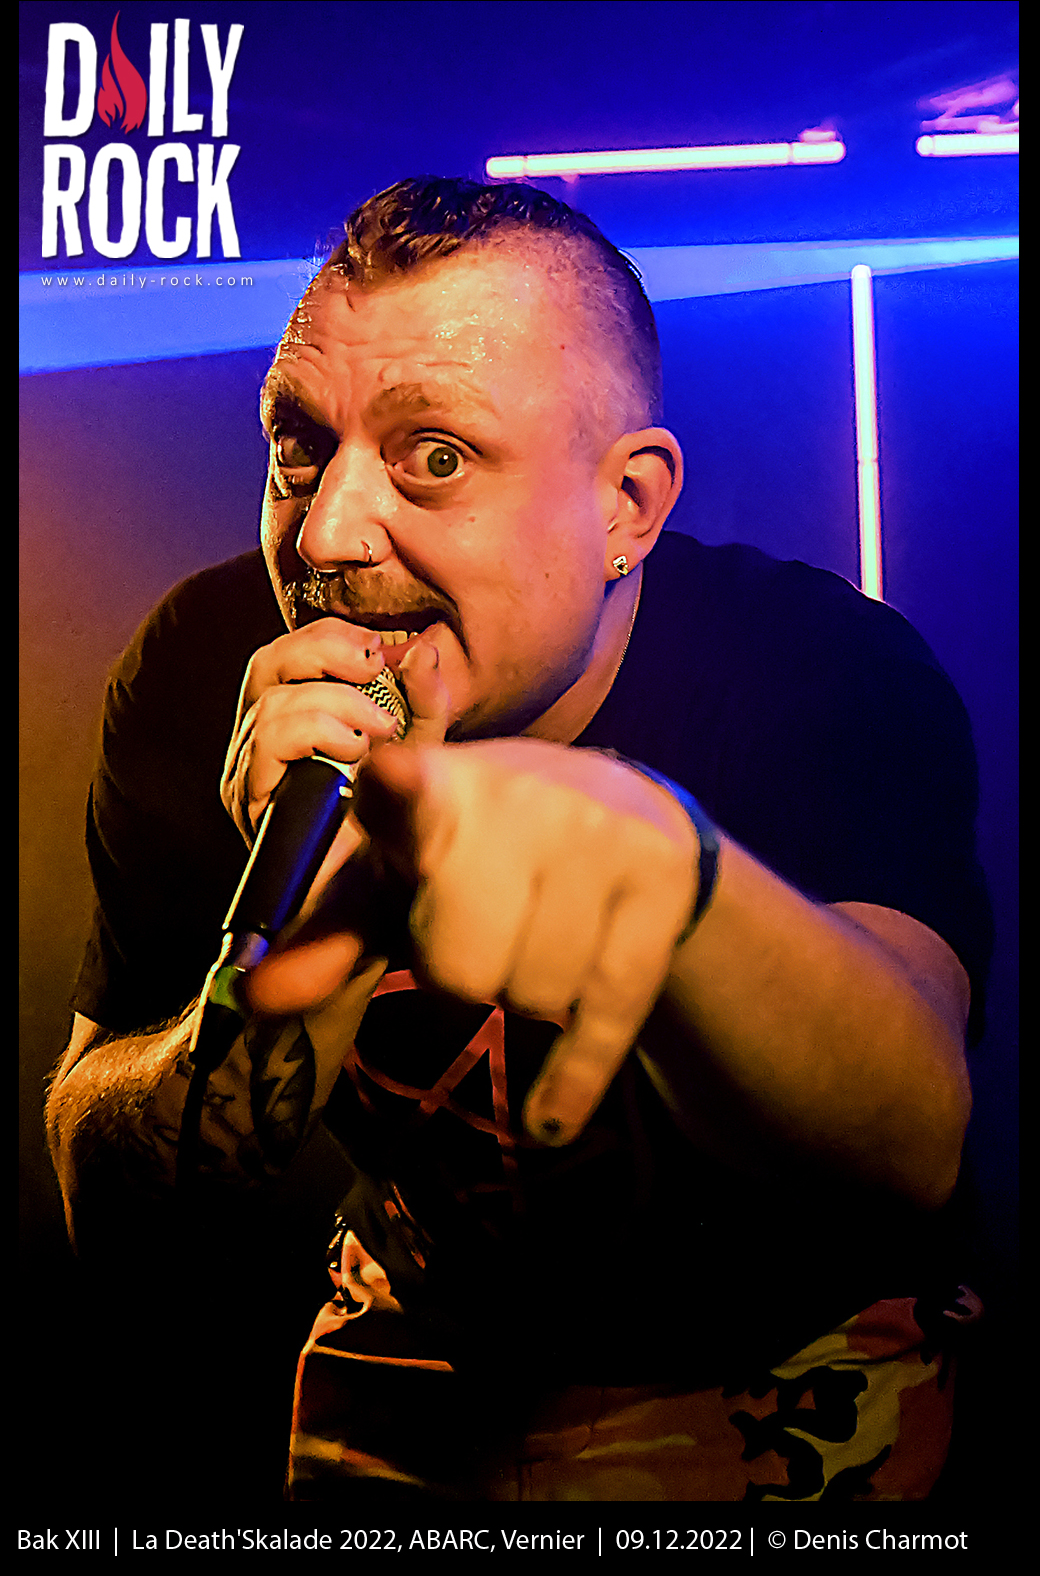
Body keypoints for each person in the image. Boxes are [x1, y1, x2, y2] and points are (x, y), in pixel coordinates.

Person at [46, 176, 992, 1503]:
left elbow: (912, 1146)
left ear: (626, 508)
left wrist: (673, 880)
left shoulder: (815, 670)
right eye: (299, 446)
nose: (323, 535)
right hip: (420, 1330)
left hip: (792, 1352)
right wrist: (310, 928)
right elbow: (108, 1211)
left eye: (435, 457)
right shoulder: (208, 668)